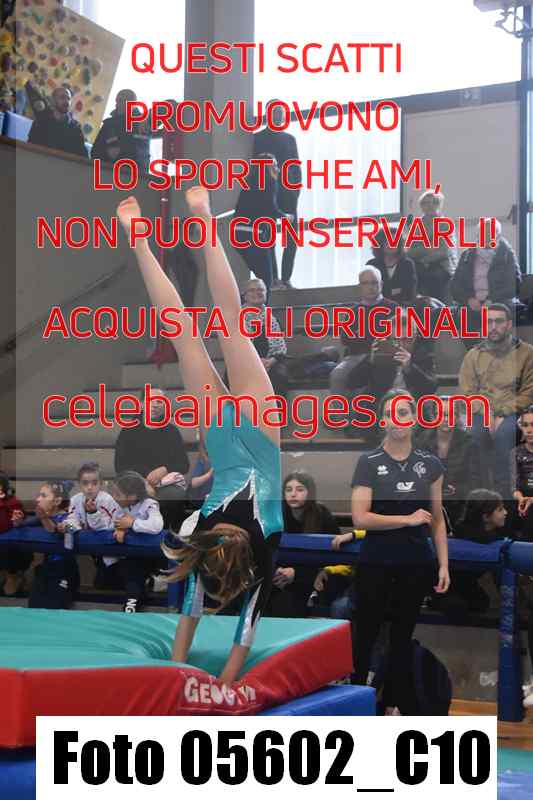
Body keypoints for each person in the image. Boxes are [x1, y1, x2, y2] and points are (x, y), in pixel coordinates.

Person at [116, 187, 282, 685]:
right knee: (185, 332)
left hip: (259, 435)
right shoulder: (206, 535)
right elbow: (196, 623)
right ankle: (141, 240)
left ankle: (203, 218)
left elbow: (242, 632)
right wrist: (187, 676)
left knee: (227, 326)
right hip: (224, 440)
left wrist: (210, 683)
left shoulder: (264, 548)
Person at [350, 390, 450, 715]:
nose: (397, 420)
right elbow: (360, 518)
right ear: (382, 420)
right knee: (365, 633)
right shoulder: (368, 462)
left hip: (416, 564)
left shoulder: (430, 464)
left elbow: (437, 520)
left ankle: (392, 703)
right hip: (376, 562)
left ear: (414, 419)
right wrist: (406, 519)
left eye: (403, 412)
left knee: (402, 636)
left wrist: (443, 565)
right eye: (391, 414)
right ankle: (356, 701)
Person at [459, 303, 533, 498]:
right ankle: (482, 498)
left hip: (515, 411)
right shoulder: (473, 355)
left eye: (498, 321)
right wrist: (488, 413)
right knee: (474, 435)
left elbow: (528, 392)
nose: (493, 326)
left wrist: (501, 412)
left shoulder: (527, 353)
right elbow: (467, 393)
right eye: (489, 322)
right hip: (482, 412)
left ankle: (506, 499)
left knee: (505, 435)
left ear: (508, 324)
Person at [114, 386, 190, 530]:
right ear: (142, 404)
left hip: (165, 484)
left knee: (174, 495)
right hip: (136, 482)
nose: (155, 404)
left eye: (159, 401)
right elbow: (120, 466)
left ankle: (167, 535)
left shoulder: (172, 431)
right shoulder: (128, 431)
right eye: (151, 400)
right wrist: (144, 481)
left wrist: (164, 469)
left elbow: (183, 464)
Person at [266, 471, 340, 618]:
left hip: (311, 575)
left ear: (309, 493)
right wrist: (276, 571)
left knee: (289, 603)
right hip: (279, 576)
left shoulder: (322, 514)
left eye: (299, 490)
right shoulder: (276, 515)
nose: (293, 494)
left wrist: (296, 573)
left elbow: (333, 554)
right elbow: (266, 549)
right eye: (288, 490)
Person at [432, 490, 507, 623]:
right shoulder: (471, 537)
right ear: (486, 517)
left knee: (481, 603)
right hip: (444, 584)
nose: (506, 513)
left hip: (465, 583)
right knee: (457, 607)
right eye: (500, 510)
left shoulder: (493, 539)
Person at [98, 471, 165, 613]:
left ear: (132, 496)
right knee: (102, 580)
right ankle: (148, 585)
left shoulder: (149, 504)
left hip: (143, 557)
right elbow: (110, 523)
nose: (114, 496)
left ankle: (131, 606)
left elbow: (157, 526)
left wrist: (133, 524)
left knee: (134, 577)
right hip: (124, 557)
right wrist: (120, 528)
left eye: (118, 494)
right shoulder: (118, 505)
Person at [451, 219, 521, 348]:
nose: (487, 236)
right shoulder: (467, 255)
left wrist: (492, 300)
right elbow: (455, 286)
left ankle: (495, 353)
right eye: (484, 233)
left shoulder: (507, 255)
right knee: (463, 317)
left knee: (496, 315)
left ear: (498, 235)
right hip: (472, 303)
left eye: (491, 233)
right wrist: (468, 299)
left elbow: (514, 285)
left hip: (498, 301)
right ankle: (474, 354)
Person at [253, 100, 301, 288]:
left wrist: (296, 191)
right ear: (268, 114)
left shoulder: (289, 139)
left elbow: (296, 167)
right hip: (266, 193)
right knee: (268, 238)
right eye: (275, 112)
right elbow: (254, 167)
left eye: (281, 113)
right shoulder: (257, 139)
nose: (279, 116)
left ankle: (286, 278)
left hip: (288, 194)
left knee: (291, 238)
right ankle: (273, 279)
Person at [12, 481, 80, 610]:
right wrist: (18, 521)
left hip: (65, 571)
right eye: (38, 495)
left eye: (43, 496)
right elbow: (22, 524)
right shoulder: (40, 518)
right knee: (34, 605)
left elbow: (65, 528)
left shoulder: (70, 517)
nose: (38, 499)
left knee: (55, 607)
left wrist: (63, 526)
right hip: (47, 570)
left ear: (57, 501)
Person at [415, 396, 478, 530]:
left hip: (459, 503)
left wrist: (458, 490)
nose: (445, 419)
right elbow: (416, 475)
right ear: (433, 417)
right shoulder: (422, 440)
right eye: (440, 414)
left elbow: (475, 480)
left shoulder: (469, 442)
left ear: (457, 417)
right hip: (428, 501)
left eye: (450, 414)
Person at [233, 153, 287, 298]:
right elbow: (270, 206)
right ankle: (260, 310)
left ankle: (248, 304)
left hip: (238, 234)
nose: (277, 169)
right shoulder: (269, 182)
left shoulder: (250, 182)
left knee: (263, 277)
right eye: (274, 165)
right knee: (266, 281)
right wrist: (285, 216)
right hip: (253, 234)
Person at [241, 277, 290, 400]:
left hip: (271, 361)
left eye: (260, 290)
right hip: (244, 362)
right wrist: (256, 362)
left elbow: (280, 348)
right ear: (245, 296)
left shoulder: (272, 319)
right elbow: (236, 348)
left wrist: (271, 361)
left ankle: (275, 412)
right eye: (252, 290)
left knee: (280, 376)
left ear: (266, 294)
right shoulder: (237, 318)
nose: (257, 293)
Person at [407, 190, 457, 301]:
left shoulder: (445, 224)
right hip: (420, 265)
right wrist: (428, 248)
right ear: (421, 206)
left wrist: (424, 257)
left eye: (433, 202)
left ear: (438, 204)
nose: (429, 206)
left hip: (442, 265)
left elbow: (444, 251)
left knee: (435, 277)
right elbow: (410, 252)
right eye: (425, 203)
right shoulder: (416, 225)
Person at [92, 89, 151, 171]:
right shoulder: (109, 124)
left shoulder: (143, 122)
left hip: (135, 172)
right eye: (117, 100)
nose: (117, 104)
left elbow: (140, 153)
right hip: (107, 170)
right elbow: (96, 151)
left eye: (122, 100)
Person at [27, 86, 88, 159]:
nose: (66, 101)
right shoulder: (41, 121)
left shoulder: (75, 127)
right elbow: (29, 147)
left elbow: (84, 156)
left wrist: (96, 166)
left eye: (68, 98)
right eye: (62, 97)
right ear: (52, 101)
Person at [366, 228, 417, 305]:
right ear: (380, 244)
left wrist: (387, 291)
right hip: (378, 306)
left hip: (402, 306)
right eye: (387, 241)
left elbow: (410, 292)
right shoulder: (372, 264)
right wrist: (396, 290)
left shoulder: (407, 264)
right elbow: (369, 291)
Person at [0, 472, 28, 596]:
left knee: (9, 591)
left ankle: (14, 576)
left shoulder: (13, 503)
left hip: (12, 552)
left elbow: (4, 526)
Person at [511, 405, 533, 541]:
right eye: (525, 425)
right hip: (523, 501)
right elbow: (513, 486)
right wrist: (521, 499)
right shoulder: (516, 452)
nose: (529, 430)